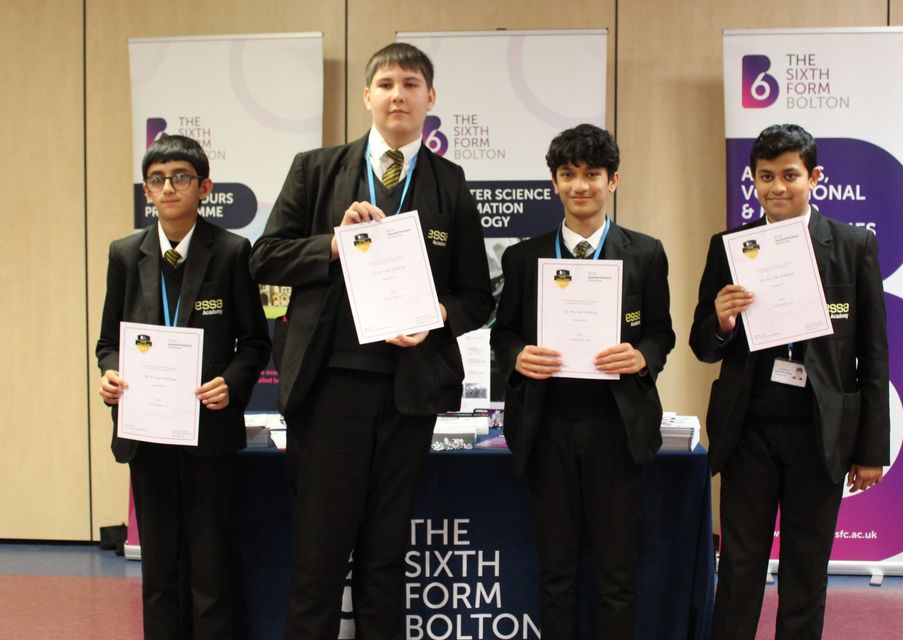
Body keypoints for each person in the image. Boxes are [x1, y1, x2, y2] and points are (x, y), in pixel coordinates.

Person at [249, 42, 493, 639]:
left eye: (411, 84)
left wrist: (436, 313)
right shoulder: (317, 167)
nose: (397, 95)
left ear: (430, 98)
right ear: (367, 96)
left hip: (408, 395)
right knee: (320, 557)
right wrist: (332, 243)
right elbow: (264, 257)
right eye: (386, 84)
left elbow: (477, 296)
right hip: (330, 388)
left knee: (385, 558)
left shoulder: (450, 182)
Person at [689, 123, 890, 639]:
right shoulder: (730, 246)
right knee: (738, 567)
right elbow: (702, 345)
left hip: (819, 436)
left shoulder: (852, 245)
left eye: (789, 175)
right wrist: (723, 321)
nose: (777, 187)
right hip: (749, 432)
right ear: (751, 180)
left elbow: (873, 354)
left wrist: (871, 450)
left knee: (805, 570)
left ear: (814, 177)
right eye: (765, 177)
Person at [491, 124, 675, 640]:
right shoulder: (524, 258)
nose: (580, 186)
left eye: (592, 174)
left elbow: (662, 334)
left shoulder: (644, 253)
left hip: (617, 428)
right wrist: (516, 355)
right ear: (554, 183)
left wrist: (641, 357)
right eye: (568, 175)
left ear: (613, 180)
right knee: (556, 571)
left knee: (617, 573)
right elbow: (502, 333)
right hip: (547, 427)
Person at [96, 134, 271, 639]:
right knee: (158, 569)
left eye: (181, 178)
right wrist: (109, 373)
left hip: (207, 431)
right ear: (146, 191)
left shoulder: (233, 251)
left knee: (210, 568)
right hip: (147, 432)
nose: (169, 187)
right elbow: (109, 341)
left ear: (204, 187)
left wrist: (231, 384)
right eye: (158, 179)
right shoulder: (126, 254)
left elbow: (255, 342)